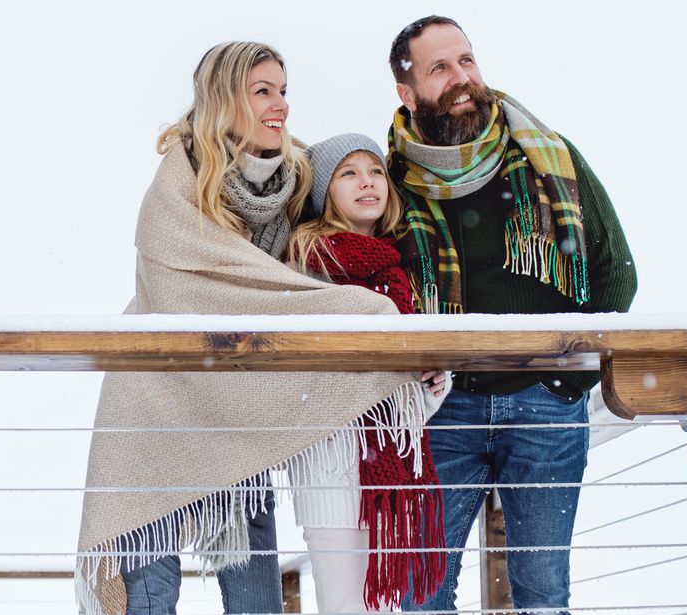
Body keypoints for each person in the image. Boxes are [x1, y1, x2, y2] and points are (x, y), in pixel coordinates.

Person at [74, 41, 437, 615]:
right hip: (157, 417)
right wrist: (363, 313)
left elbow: (298, 284)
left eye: (284, 91)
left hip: (241, 426)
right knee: (147, 599)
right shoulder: (174, 191)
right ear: (223, 101)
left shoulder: (294, 184)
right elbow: (213, 295)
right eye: (262, 91)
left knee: (256, 602)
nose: (281, 106)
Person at [382, 16, 640, 612]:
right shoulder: (390, 179)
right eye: (439, 68)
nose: (461, 78)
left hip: (544, 402)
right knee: (424, 596)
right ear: (406, 91)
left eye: (466, 60)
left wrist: (568, 378)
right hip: (442, 409)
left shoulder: (549, 159)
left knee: (543, 592)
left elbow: (616, 272)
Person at [287, 133, 453, 612]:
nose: (368, 182)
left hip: (389, 479)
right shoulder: (307, 266)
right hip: (333, 472)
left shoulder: (395, 273)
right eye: (350, 173)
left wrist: (434, 383)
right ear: (325, 193)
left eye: (376, 171)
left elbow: (407, 394)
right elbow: (311, 375)